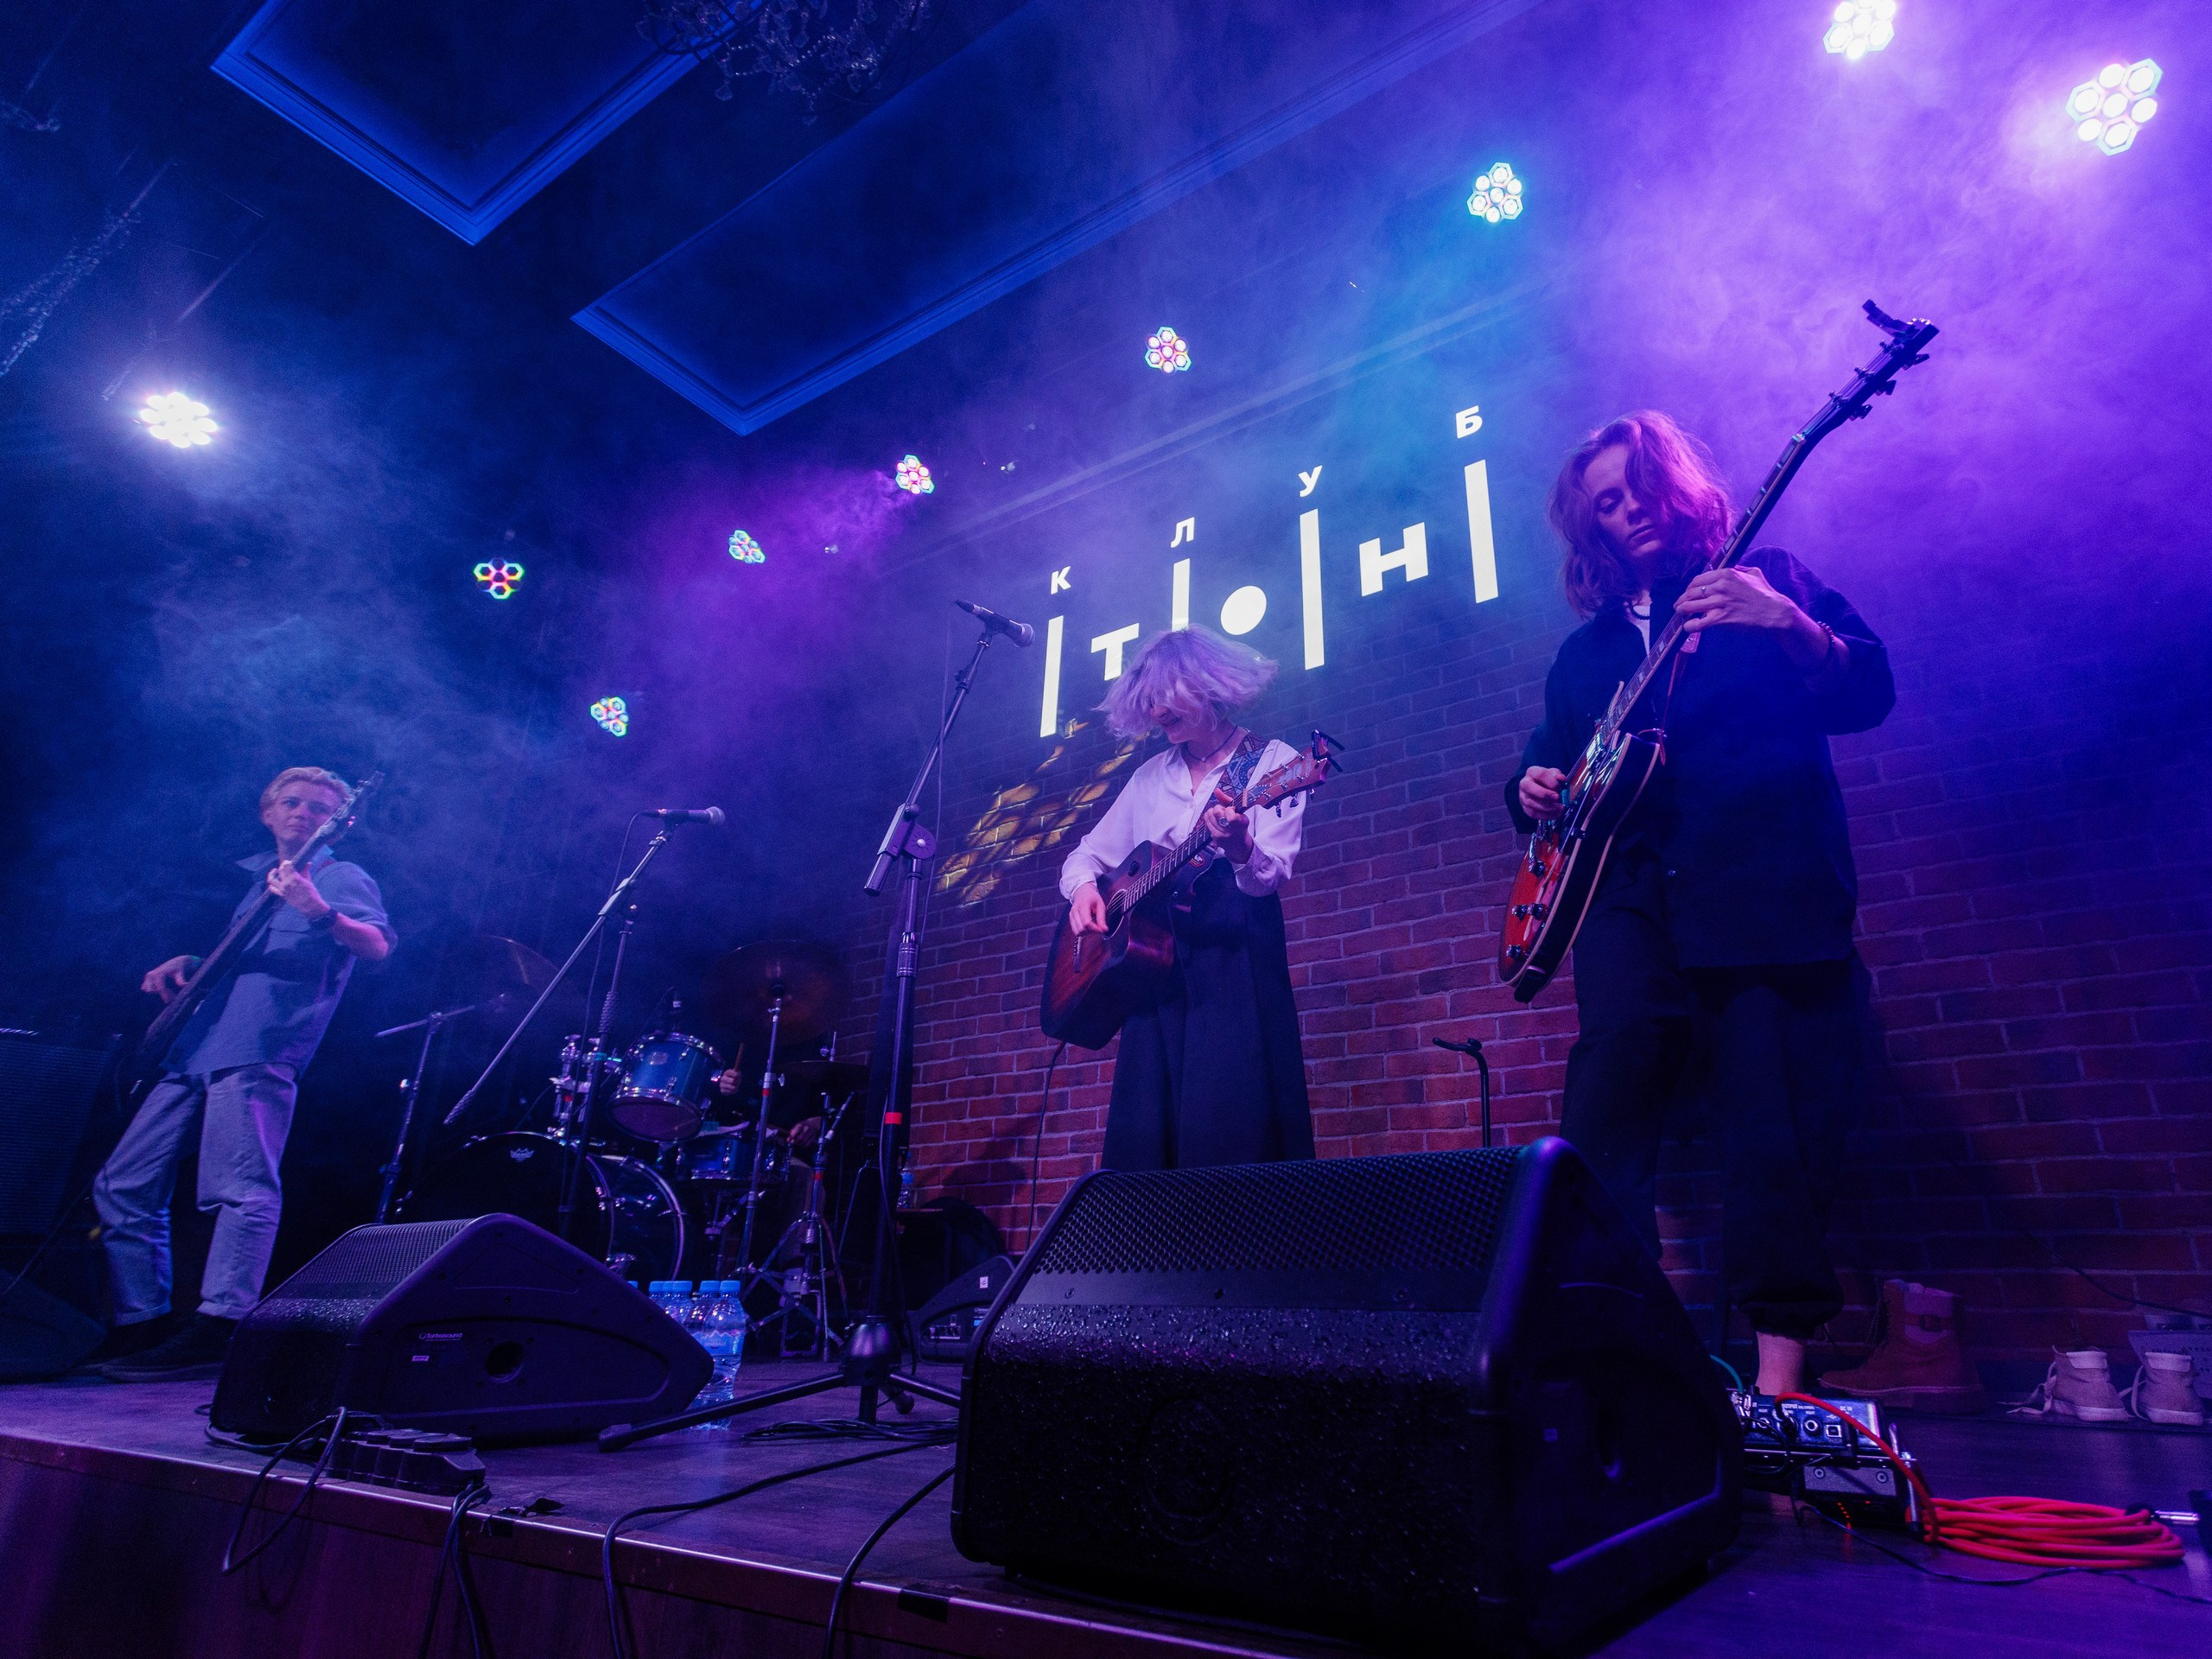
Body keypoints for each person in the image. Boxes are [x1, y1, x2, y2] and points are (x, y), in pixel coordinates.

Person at [1505, 412, 1894, 1398]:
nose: (1626, 507)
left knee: (1770, 1123)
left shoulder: (1767, 576)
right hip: (1629, 896)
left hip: (1759, 884)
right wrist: (1530, 787)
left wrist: (1791, 626)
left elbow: (1869, 690)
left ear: (1671, 484)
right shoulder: (1582, 656)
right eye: (1604, 501)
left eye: (1637, 485)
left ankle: (1779, 1382)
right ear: (1585, 526)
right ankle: (1631, 1356)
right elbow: (1542, 764)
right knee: (1604, 1121)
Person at [89, 767, 395, 1381]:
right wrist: (193, 962)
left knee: (241, 1188)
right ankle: (142, 1321)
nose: (304, 813)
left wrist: (321, 911)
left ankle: (221, 1323)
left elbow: (377, 946)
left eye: (320, 808)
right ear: (268, 812)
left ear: (343, 822)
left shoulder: (338, 877)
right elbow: (248, 957)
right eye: (293, 802)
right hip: (196, 1046)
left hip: (259, 1046)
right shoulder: (259, 880)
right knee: (122, 1185)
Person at [1060, 626, 1313, 1170]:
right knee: (1147, 1150)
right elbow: (1085, 856)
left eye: (1165, 695)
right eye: (1146, 701)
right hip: (1157, 977)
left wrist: (1242, 846)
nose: (1156, 711)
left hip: (1234, 968)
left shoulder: (1274, 764)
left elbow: (1268, 880)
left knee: (1234, 1135)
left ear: (1207, 684)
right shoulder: (1151, 776)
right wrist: (1083, 890)